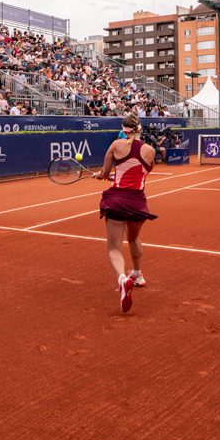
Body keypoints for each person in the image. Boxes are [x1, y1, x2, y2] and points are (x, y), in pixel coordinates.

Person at [94, 114, 157, 314]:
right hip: (137, 200)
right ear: (140, 129)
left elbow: (104, 173)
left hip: (117, 199)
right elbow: (140, 173)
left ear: (124, 129)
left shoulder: (116, 145)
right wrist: (115, 175)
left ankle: (122, 279)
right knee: (134, 237)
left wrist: (102, 175)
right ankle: (137, 274)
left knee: (114, 247)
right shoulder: (150, 151)